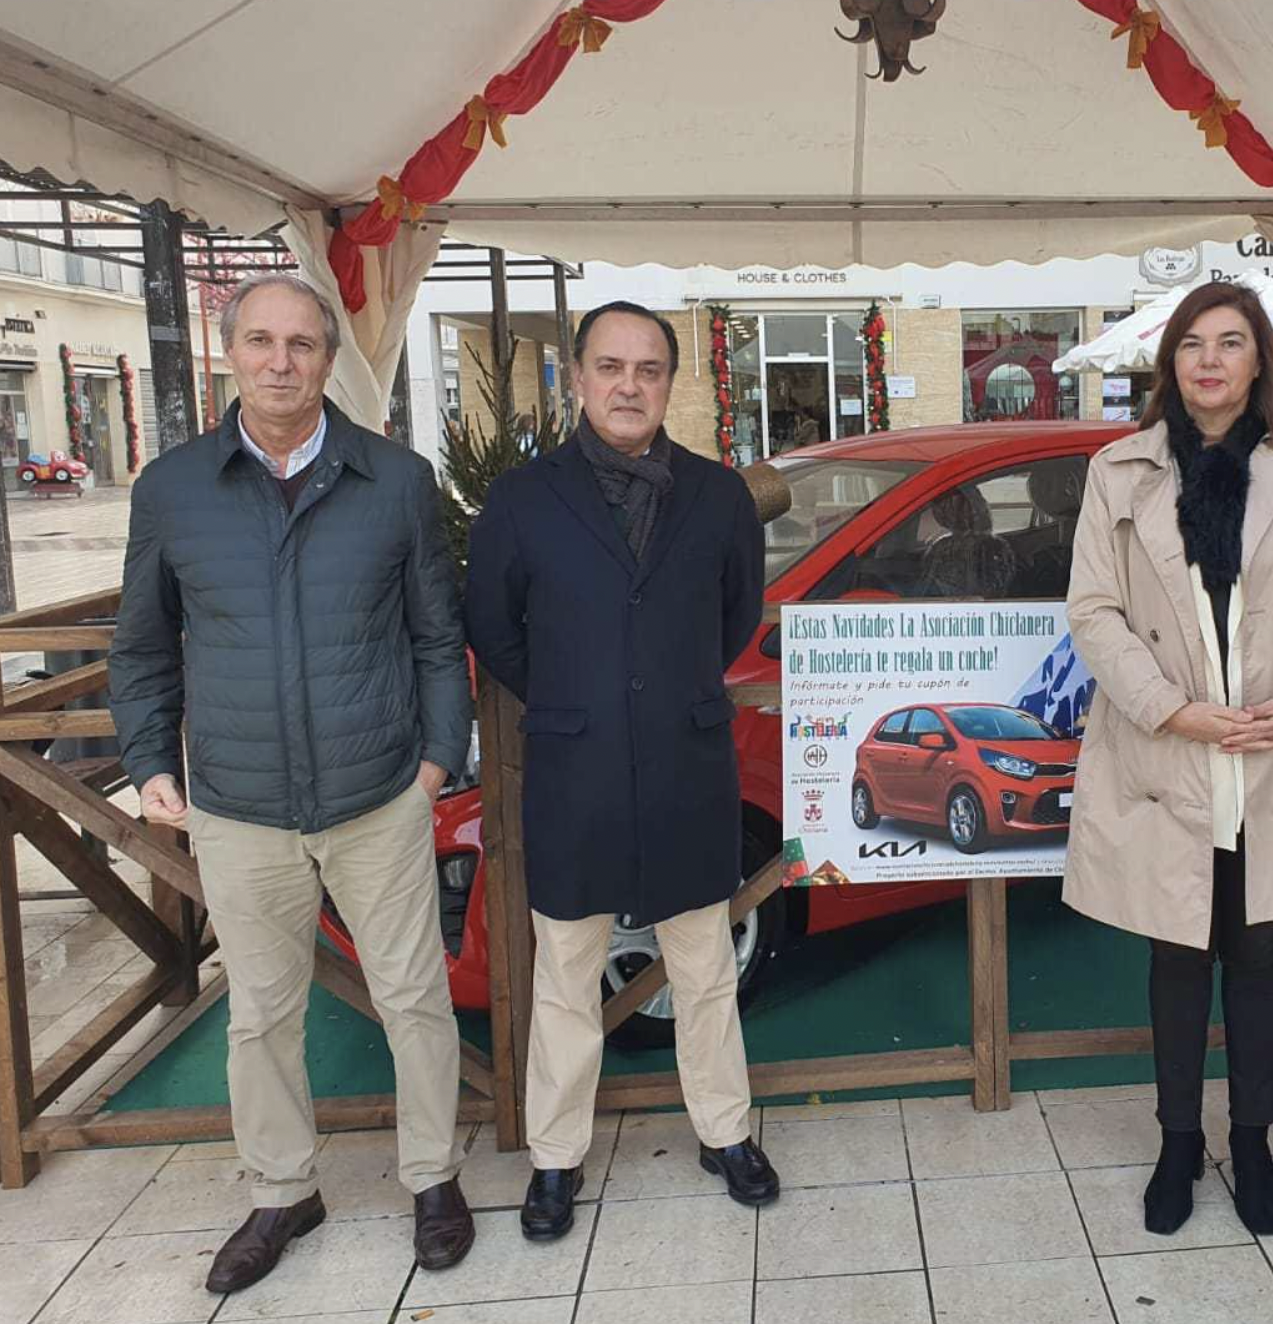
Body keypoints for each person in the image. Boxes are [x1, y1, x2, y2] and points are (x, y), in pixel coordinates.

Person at [108, 273, 475, 1291]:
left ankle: (433, 1176)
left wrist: (435, 764)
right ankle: (281, 1191)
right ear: (231, 351)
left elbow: (439, 639)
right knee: (262, 1012)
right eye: (262, 341)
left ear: (326, 357)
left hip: (376, 795)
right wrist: (147, 760)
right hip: (240, 804)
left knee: (412, 996)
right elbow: (140, 649)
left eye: (303, 344)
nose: (282, 361)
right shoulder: (172, 489)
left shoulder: (396, 480)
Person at [1063, 281, 1273, 1238]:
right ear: (1171, 362)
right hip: (1171, 753)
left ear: (1258, 363)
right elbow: (1093, 610)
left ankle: (1251, 1138)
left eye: (1231, 342)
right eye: (1193, 343)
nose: (1210, 359)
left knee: (1257, 951)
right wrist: (1175, 712)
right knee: (1175, 951)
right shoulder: (1118, 469)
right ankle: (1175, 1140)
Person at [464, 301, 778, 1241]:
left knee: (706, 965)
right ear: (578, 378)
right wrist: (573, 693)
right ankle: (556, 1159)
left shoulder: (719, 496)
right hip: (575, 766)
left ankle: (725, 1132)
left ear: (671, 383)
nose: (629, 384)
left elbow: (735, 619)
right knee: (566, 971)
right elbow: (493, 626)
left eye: (648, 369)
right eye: (610, 366)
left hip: (688, 762)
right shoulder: (522, 499)